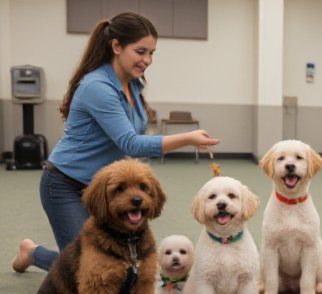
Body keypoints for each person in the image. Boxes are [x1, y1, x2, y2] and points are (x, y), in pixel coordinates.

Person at [12, 12, 219, 273]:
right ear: (117, 47)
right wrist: (189, 138)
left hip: (106, 189)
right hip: (65, 186)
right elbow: (130, 144)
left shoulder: (132, 86)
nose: (147, 60)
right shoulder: (97, 87)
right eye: (141, 51)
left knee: (122, 268)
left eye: (152, 53)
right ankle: (33, 253)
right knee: (88, 270)